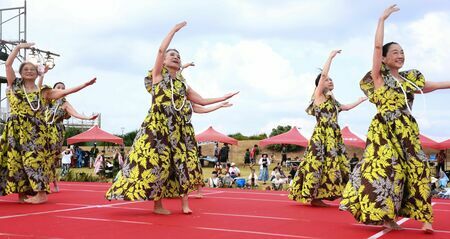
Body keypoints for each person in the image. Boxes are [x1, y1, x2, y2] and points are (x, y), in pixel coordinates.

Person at [106, 22, 237, 215]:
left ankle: (185, 204)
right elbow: (160, 51)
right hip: (158, 129)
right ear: (165, 61)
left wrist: (222, 98)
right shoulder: (158, 76)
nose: (175, 57)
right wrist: (173, 31)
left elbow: (200, 101)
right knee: (159, 165)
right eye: (172, 55)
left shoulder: (183, 85)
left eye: (178, 56)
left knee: (183, 165)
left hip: (180, 130)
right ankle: (158, 205)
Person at [340, 5, 450, 233]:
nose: (400, 56)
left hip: (407, 129)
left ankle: (425, 218)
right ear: (384, 58)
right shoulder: (378, 77)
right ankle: (386, 217)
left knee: (418, 169)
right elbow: (377, 45)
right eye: (395, 53)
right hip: (384, 131)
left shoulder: (410, 80)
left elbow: (437, 85)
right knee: (389, 171)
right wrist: (382, 19)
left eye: (402, 52)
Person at [0, 42, 96, 204]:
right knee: (15, 160)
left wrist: (84, 85)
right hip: (14, 130)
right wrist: (18, 48)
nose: (29, 71)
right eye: (25, 69)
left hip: (35, 131)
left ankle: (41, 193)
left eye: (32, 69)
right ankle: (22, 193)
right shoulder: (14, 85)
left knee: (33, 160)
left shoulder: (43, 92)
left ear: (37, 73)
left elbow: (65, 92)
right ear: (21, 73)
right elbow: (8, 64)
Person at [289, 49, 367, 207]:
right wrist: (330, 57)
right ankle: (313, 196)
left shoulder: (332, 100)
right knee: (317, 164)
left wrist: (360, 100)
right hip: (322, 135)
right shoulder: (318, 96)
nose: (330, 81)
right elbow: (323, 75)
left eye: (331, 80)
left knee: (331, 165)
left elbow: (345, 107)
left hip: (333, 136)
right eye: (327, 80)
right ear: (320, 84)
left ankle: (320, 196)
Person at [43, 81, 98, 193]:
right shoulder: (46, 99)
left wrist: (88, 118)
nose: (61, 89)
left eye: (63, 88)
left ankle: (50, 183)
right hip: (42, 130)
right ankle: (43, 183)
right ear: (53, 88)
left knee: (51, 158)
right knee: (41, 157)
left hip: (56, 132)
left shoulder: (65, 103)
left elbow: (75, 114)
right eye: (58, 87)